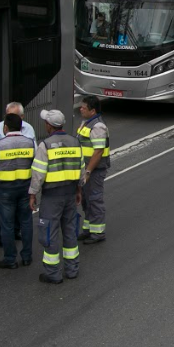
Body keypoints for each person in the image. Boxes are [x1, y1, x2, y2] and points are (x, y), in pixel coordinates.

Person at [29, 109, 84, 284]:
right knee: (69, 231)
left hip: (52, 197)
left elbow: (38, 174)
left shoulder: (44, 145)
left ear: (49, 125)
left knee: (49, 233)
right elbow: (81, 171)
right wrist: (78, 191)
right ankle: (72, 269)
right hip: (69, 194)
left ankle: (53, 274)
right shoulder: (75, 142)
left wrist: (32, 194)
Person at [0, 113, 35, 269]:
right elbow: (37, 164)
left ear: (5, 127)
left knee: (7, 225)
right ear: (21, 127)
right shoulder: (31, 143)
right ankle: (27, 257)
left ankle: (10, 259)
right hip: (25, 188)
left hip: (5, 190)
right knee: (26, 222)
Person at [76, 95, 110, 245]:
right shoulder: (87, 123)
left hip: (94, 171)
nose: (80, 109)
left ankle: (97, 233)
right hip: (86, 168)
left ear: (93, 111)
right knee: (86, 200)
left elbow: (98, 152)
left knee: (94, 200)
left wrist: (88, 172)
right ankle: (88, 229)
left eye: (84, 107)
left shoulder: (98, 127)